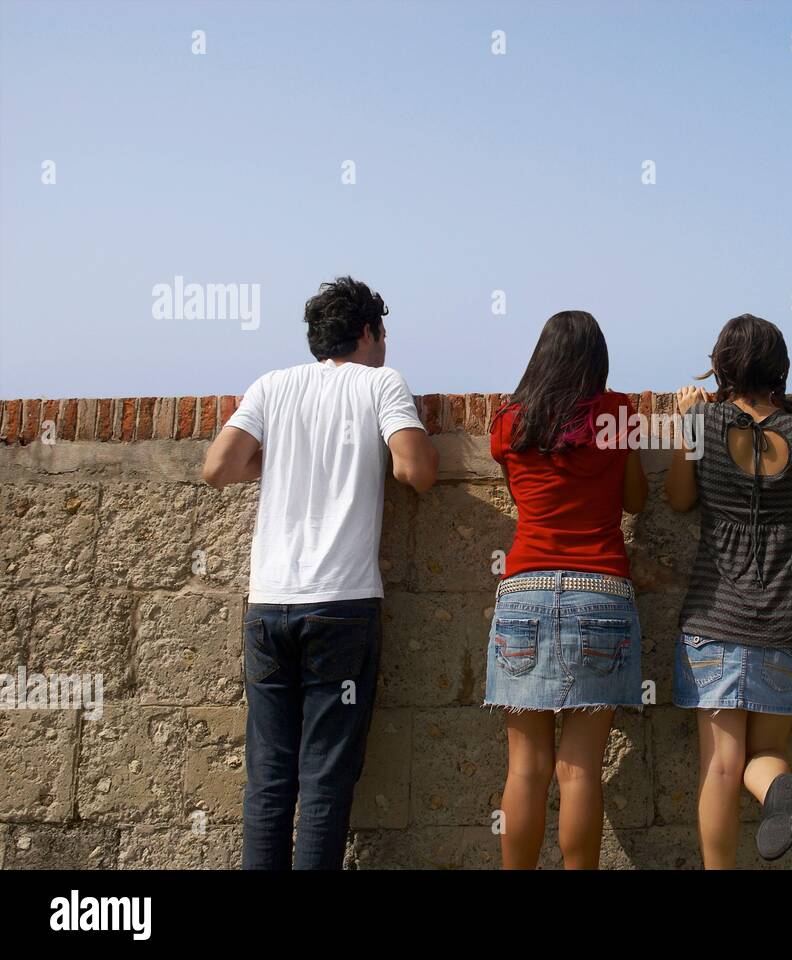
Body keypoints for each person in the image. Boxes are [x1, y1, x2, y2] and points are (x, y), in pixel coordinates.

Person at [202, 276, 437, 869]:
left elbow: (218, 468)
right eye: (382, 334)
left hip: (269, 603)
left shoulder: (272, 385)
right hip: (341, 604)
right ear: (367, 333)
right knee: (326, 782)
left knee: (269, 779)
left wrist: (281, 460)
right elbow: (417, 471)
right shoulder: (381, 383)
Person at [666, 313, 792, 867]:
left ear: (722, 364)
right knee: (766, 753)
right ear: (779, 367)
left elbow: (677, 499)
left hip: (714, 619)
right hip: (791, 620)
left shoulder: (703, 424)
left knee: (720, 765)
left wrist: (685, 428)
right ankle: (774, 790)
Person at [485, 310, 648, 869]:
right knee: (580, 766)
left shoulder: (508, 422)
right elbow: (635, 500)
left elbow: (520, 494)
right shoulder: (620, 414)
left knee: (525, 767)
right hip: (601, 588)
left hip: (524, 588)